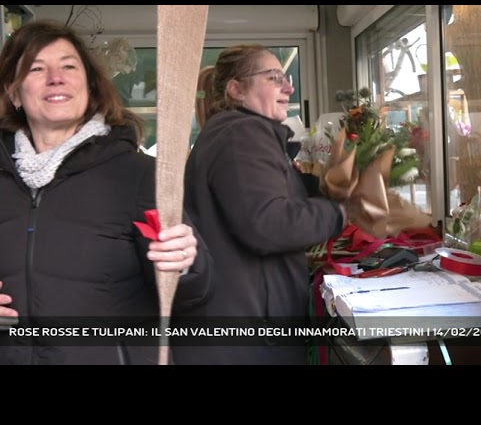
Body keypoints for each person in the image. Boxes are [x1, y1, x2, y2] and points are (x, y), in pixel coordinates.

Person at [0, 20, 215, 365]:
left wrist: (188, 263)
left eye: (69, 66)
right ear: (13, 92)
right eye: (36, 68)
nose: (56, 77)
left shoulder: (139, 175)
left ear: (91, 86)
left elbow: (194, 294)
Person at [180, 45, 346, 365]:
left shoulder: (232, 132)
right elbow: (267, 224)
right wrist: (341, 213)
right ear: (236, 90)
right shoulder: (242, 132)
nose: (289, 87)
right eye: (274, 78)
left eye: (286, 78)